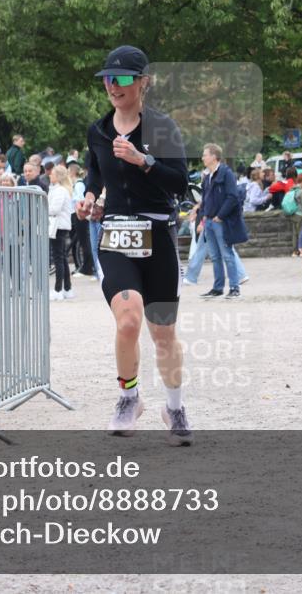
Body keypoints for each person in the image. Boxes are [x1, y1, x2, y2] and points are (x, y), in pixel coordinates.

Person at [77, 44, 191, 443]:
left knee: (163, 333)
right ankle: (129, 398)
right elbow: (95, 172)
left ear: (144, 83)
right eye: (108, 79)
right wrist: (90, 196)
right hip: (115, 236)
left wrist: (144, 160)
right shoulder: (98, 130)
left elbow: (180, 182)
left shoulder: (162, 128)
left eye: (122, 78)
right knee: (128, 320)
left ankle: (174, 408)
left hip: (158, 235)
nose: (113, 85)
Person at [196, 143, 247, 299]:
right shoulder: (207, 176)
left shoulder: (226, 173)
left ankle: (234, 288)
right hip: (209, 221)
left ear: (213, 156)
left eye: (205, 154)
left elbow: (233, 197)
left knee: (227, 255)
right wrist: (203, 216)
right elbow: (205, 198)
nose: (203, 157)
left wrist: (220, 216)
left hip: (221, 221)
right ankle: (218, 288)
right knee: (215, 257)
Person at [48, 165, 75, 300]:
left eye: (52, 174)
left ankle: (58, 289)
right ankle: (67, 288)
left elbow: (54, 209)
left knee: (59, 259)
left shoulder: (59, 190)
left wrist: (42, 207)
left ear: (58, 176)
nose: (49, 176)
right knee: (62, 258)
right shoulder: (60, 189)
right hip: (60, 226)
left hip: (58, 226)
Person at [68, 162, 94, 277]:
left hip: (80, 213)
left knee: (84, 242)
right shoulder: (76, 184)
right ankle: (84, 266)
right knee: (82, 242)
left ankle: (88, 268)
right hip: (75, 213)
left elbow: (80, 198)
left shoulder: (78, 184)